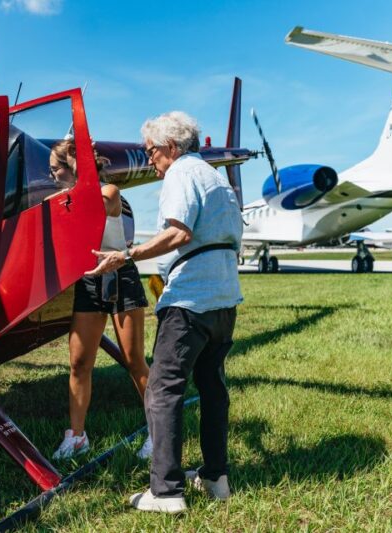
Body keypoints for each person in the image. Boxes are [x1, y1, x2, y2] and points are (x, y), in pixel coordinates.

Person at [86, 111, 243, 513]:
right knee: (212, 388)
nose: (150, 159)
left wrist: (127, 254)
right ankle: (215, 476)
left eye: (151, 151)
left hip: (190, 299)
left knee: (163, 390)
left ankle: (166, 491)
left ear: (171, 148)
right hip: (225, 299)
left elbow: (179, 232)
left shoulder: (180, 174)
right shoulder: (216, 178)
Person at [48, 139, 153, 460]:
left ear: (74, 167)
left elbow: (101, 207)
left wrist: (72, 192)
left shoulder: (109, 192)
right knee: (79, 363)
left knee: (134, 361)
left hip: (121, 277)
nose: (51, 176)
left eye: (55, 169)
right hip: (90, 281)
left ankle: (159, 432)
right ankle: (77, 437)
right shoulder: (59, 198)